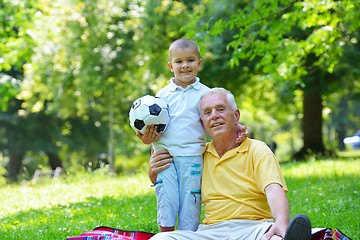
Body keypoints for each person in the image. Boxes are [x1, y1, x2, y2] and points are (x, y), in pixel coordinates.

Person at [148, 87, 312, 240]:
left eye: (220, 109)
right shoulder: (197, 156)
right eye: (207, 112)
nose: (214, 115)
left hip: (254, 228)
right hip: (210, 232)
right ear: (202, 123)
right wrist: (153, 174)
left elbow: (273, 189)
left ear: (236, 116)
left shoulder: (257, 149)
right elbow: (175, 184)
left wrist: (281, 222)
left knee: (275, 238)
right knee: (160, 239)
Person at [134, 38, 248, 232]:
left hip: (193, 157)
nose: (185, 65)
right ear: (171, 66)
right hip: (165, 157)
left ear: (199, 63)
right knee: (167, 199)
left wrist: (237, 127)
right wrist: (147, 139)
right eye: (179, 62)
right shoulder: (161, 96)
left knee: (190, 202)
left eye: (191, 60)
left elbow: (218, 118)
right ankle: (166, 236)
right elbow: (149, 130)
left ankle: (188, 236)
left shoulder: (206, 94)